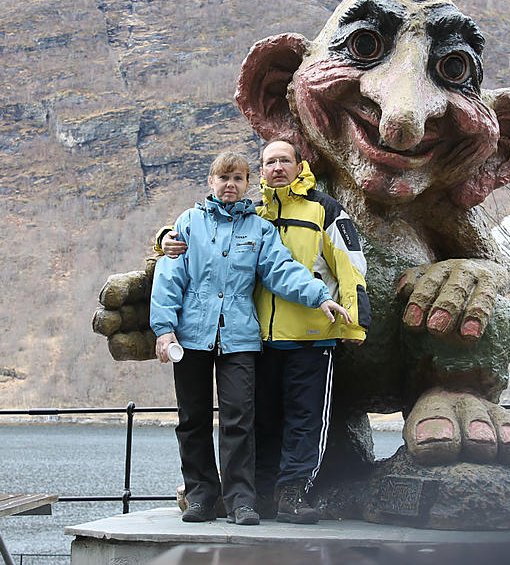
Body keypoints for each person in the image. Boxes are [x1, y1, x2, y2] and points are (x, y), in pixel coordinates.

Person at [158, 139, 370, 524]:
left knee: (257, 420)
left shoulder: (289, 219)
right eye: (224, 177)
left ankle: (260, 497)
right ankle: (208, 495)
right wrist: (163, 325)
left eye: (238, 178)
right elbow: (170, 270)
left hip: (265, 337)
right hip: (218, 337)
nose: (230, 185)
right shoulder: (207, 220)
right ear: (211, 180)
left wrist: (331, 304)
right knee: (210, 420)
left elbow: (289, 269)